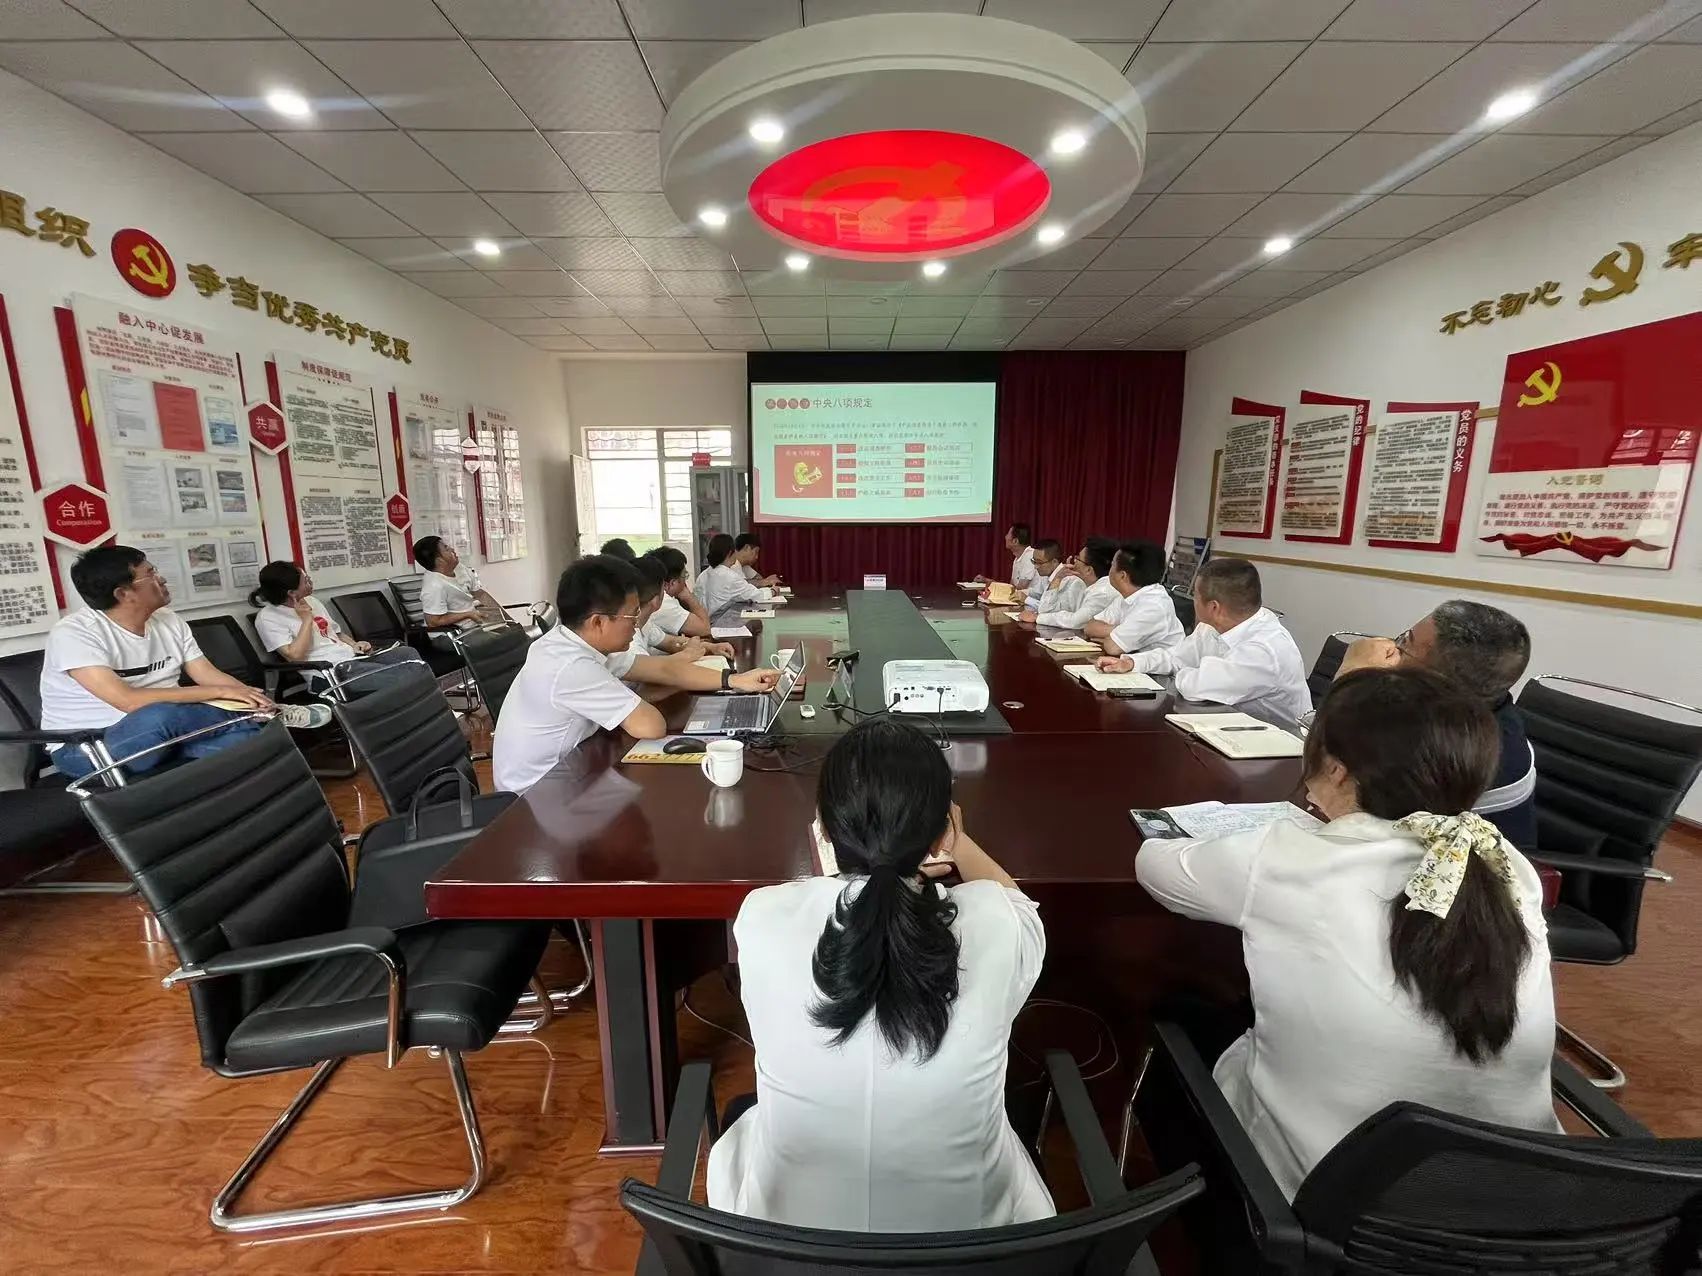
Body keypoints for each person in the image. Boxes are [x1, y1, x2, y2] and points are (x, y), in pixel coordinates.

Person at [1136, 667, 1559, 1201]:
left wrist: (1284, 833)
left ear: (1336, 770)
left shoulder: (1289, 857)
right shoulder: (1504, 864)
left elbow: (1155, 864)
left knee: (1183, 1014)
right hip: (1523, 1202)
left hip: (1331, 1209)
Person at [707, 717, 1053, 1231]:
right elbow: (1020, 906)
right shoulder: (998, 924)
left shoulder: (762, 917)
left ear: (823, 830)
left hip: (787, 1247)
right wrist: (954, 842)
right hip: (971, 1247)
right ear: (943, 831)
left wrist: (875, 873)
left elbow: (844, 910)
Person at [493, 555, 779, 793]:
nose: (637, 624)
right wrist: (653, 691)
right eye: (632, 616)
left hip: (574, 766)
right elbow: (651, 726)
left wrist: (734, 681)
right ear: (598, 622)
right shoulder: (570, 665)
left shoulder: (575, 641)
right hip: (538, 794)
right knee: (662, 796)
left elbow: (664, 668)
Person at [40, 545, 330, 780]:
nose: (162, 579)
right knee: (160, 714)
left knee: (252, 741)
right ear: (123, 593)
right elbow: (127, 701)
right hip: (92, 746)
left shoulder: (168, 620)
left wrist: (250, 696)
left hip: (176, 733)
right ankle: (266, 715)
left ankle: (275, 813)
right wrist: (223, 694)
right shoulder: (75, 633)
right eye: (150, 574)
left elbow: (207, 674)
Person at [1333, 601, 1536, 849]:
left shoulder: (1452, 745)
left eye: (1406, 642)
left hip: (1468, 866)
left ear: (1436, 680)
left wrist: (1351, 677)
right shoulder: (1466, 706)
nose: (1395, 647)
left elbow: (1331, 774)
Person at [1096, 559, 1310, 723]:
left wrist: (1190, 672)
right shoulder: (1212, 626)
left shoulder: (1264, 650)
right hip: (1228, 725)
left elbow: (1195, 688)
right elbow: (1175, 657)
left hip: (1281, 748)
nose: (1193, 601)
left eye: (1196, 596)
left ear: (1214, 607)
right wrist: (1132, 663)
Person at [250, 561, 424, 697]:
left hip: (352, 659)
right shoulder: (268, 618)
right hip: (328, 674)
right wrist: (306, 620)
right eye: (305, 581)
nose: (310, 582)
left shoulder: (312, 601)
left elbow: (336, 633)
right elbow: (295, 656)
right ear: (291, 593)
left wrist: (355, 644)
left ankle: (424, 703)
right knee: (402, 677)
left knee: (408, 655)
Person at [620, 554, 735, 663]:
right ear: (655, 601)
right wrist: (687, 655)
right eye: (663, 590)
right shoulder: (629, 641)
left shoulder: (644, 623)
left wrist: (711, 647)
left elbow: (671, 642)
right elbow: (650, 672)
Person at [1084, 540, 1184, 656]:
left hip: (1159, 668)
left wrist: (1114, 635)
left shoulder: (1154, 606)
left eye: (1112, 565)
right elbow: (1090, 627)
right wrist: (1121, 631)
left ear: (1122, 576)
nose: (1109, 571)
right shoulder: (1128, 596)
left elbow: (1112, 647)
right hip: (1133, 663)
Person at [414, 535, 501, 632]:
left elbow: (480, 594)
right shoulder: (434, 586)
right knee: (504, 639)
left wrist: (503, 616)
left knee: (511, 633)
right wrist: (468, 614)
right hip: (451, 634)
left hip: (475, 625)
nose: (452, 549)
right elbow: (433, 622)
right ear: (439, 561)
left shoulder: (459, 567)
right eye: (446, 549)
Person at [1036, 539, 1119, 630]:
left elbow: (1075, 622)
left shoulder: (1102, 592)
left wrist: (1037, 618)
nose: (1074, 561)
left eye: (1078, 559)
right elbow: (1046, 610)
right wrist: (1057, 579)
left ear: (1088, 570)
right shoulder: (1088, 585)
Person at [695, 532, 772, 618]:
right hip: (720, 622)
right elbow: (757, 595)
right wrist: (773, 591)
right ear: (730, 553)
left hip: (703, 621)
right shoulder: (730, 576)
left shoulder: (702, 575)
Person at [645, 545, 714, 640]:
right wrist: (689, 598)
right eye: (684, 576)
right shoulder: (665, 603)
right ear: (672, 583)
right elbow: (705, 629)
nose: (685, 582)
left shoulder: (657, 595)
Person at [1015, 538, 1066, 621]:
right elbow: (1036, 592)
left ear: (1054, 562)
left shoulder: (1067, 580)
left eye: (1039, 562)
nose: (1035, 567)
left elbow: (1052, 610)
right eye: (1034, 561)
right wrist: (1017, 594)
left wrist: (1026, 599)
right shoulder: (1046, 575)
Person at [975, 522, 1036, 590]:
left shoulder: (1030, 556)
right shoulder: (1018, 558)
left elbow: (1019, 590)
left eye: (1008, 534)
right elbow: (1011, 587)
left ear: (1015, 541)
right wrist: (986, 581)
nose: (1005, 537)